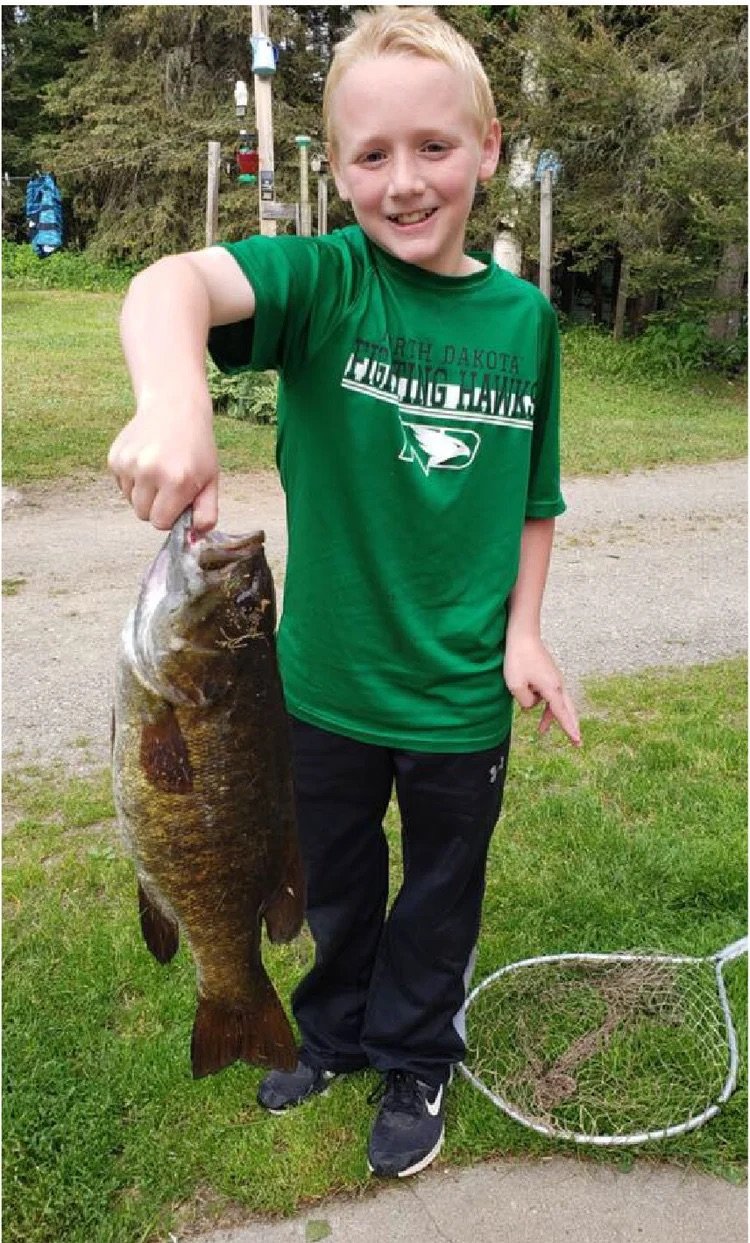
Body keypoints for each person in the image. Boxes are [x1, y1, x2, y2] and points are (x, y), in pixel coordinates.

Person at [108, 5, 581, 1181]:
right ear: (338, 167)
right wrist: (174, 400)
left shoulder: (527, 323)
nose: (405, 181)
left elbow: (535, 496)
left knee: (437, 896)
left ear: (490, 146)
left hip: (461, 698)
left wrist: (525, 632)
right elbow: (170, 286)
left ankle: (417, 1051)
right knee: (329, 882)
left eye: (434, 147)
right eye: (372, 155)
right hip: (312, 689)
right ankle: (330, 1031)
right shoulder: (323, 283)